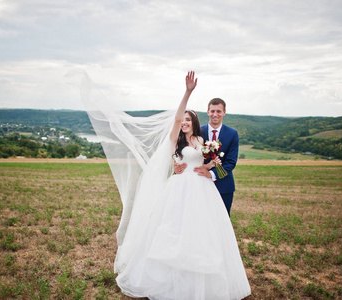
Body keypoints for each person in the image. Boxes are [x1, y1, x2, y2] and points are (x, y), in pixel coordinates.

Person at [93, 71, 251, 299]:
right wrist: (187, 92)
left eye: (189, 120)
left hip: (203, 190)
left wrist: (211, 166)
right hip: (180, 190)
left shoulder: (202, 140)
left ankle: (207, 277)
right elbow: (177, 122)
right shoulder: (175, 138)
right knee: (175, 231)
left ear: (195, 123)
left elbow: (218, 161)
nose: (184, 122)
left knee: (204, 233)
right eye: (183, 120)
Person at [175, 98, 239, 216]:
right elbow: (180, 150)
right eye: (212, 111)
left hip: (223, 185)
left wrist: (212, 174)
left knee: (221, 220)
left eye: (219, 111)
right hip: (197, 184)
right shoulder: (196, 131)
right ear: (208, 112)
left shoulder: (232, 134)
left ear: (224, 112)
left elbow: (231, 162)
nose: (215, 114)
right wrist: (176, 166)